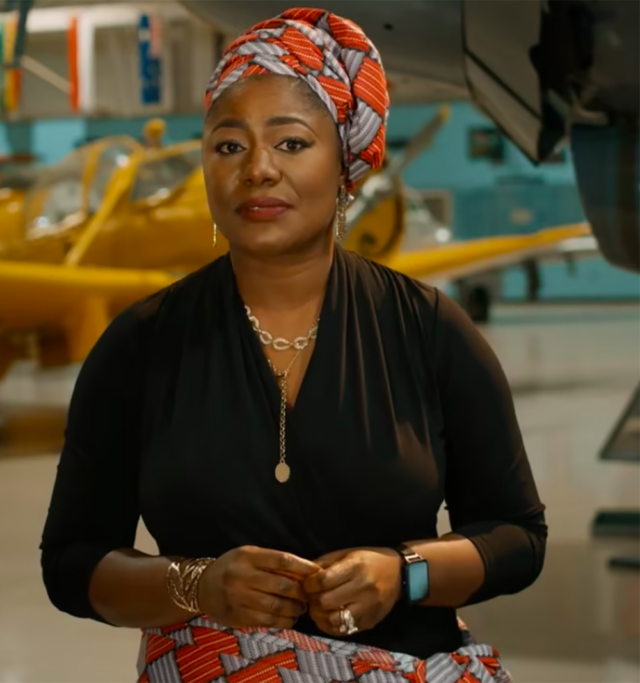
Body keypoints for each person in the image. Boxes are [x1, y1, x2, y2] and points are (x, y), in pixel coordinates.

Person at [39, 8, 546, 682]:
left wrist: (404, 573)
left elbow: (517, 535)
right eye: (229, 145)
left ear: (345, 162)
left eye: (291, 143)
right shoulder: (142, 344)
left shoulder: (428, 328)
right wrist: (196, 584)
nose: (257, 170)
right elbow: (72, 562)